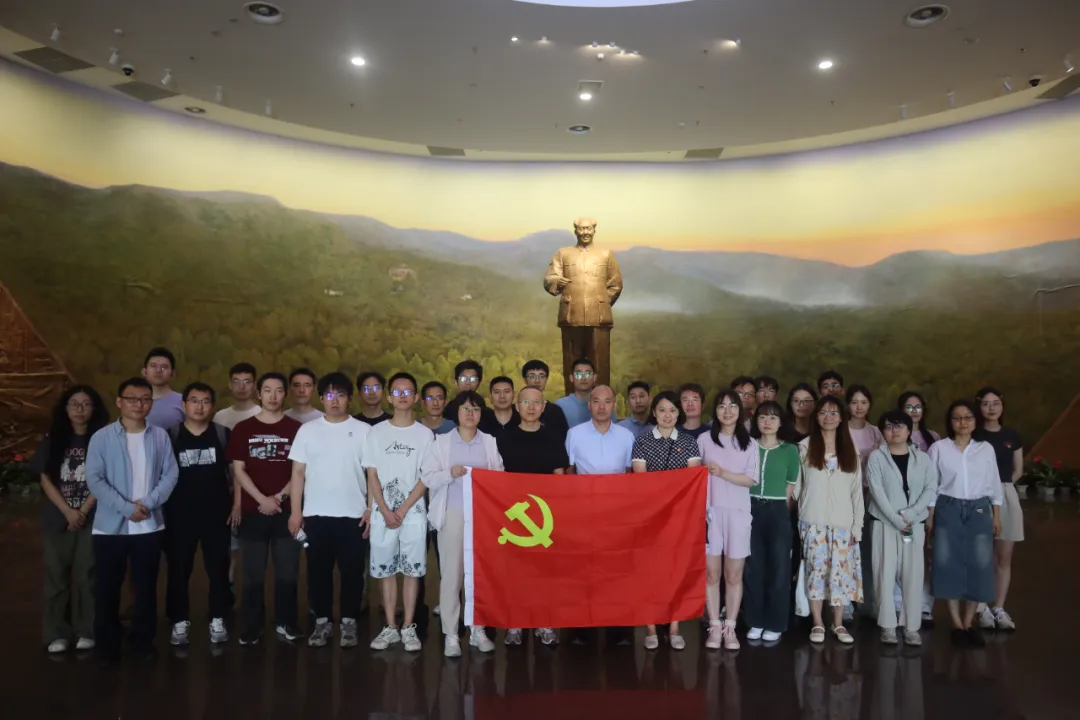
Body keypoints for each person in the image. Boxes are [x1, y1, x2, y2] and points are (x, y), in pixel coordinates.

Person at [86, 377, 179, 662]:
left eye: (145, 399)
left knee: (146, 588)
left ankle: (142, 641)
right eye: (132, 399)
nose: (139, 404)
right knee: (107, 588)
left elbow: (170, 474)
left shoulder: (160, 436)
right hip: (109, 528)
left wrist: (147, 503)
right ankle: (108, 644)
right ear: (119, 402)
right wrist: (126, 509)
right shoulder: (101, 437)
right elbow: (95, 479)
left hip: (149, 525)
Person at [286, 372, 372, 649]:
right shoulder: (308, 430)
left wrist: (370, 508)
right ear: (321, 398)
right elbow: (297, 473)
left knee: (352, 572)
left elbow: (372, 474)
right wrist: (295, 512)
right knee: (317, 572)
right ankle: (322, 622)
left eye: (341, 395)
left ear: (350, 399)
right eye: (330, 395)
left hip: (354, 516)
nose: (335, 401)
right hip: (316, 516)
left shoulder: (364, 431)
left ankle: (349, 622)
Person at [421, 391, 505, 657]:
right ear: (456, 413)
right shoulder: (442, 442)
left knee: (479, 574)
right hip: (453, 514)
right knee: (452, 575)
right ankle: (451, 634)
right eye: (465, 409)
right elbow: (428, 478)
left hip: (482, 517)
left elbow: (500, 476)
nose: (470, 413)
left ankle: (478, 630)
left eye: (476, 409)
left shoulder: (489, 442)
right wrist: (450, 473)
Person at [227, 372, 303, 645]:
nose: (273, 396)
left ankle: (286, 622)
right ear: (259, 394)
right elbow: (239, 470)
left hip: (286, 511)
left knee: (288, 572)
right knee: (252, 573)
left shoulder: (297, 429)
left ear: (285, 394)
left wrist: (279, 498)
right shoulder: (243, 429)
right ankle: (252, 626)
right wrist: (261, 499)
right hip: (253, 511)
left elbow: (300, 471)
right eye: (267, 390)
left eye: (278, 390)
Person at [33, 385, 109, 654]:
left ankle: (87, 630)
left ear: (94, 409)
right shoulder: (53, 439)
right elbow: (45, 478)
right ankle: (57, 633)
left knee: (89, 577)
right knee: (57, 578)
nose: (80, 409)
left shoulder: (102, 440)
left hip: (93, 518)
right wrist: (67, 511)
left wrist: (83, 511)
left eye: (86, 404)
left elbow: (104, 479)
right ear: (65, 409)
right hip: (57, 519)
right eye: (74, 404)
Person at [364, 372, 435, 652]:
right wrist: (383, 509)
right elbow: (372, 474)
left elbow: (425, 476)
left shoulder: (425, 434)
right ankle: (390, 627)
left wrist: (403, 509)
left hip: (413, 512)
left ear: (416, 398)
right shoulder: (376, 432)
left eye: (408, 392)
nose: (402, 396)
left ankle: (408, 626)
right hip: (383, 513)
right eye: (397, 392)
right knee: (387, 570)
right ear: (389, 397)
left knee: (412, 570)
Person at [496, 386, 569, 647]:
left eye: (536, 403)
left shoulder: (553, 439)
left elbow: (559, 477)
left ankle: (543, 622)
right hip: (512, 516)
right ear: (517, 407)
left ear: (543, 406)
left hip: (545, 516)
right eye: (525, 403)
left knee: (544, 572)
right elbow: (496, 478)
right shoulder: (503, 440)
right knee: (515, 572)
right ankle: (515, 623)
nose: (530, 407)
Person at [927, 399, 1002, 647]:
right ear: (950, 422)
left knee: (980, 564)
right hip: (948, 507)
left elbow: (993, 483)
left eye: (968, 417)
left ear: (975, 421)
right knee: (947, 562)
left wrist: (996, 515)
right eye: (957, 418)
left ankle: (969, 622)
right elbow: (932, 485)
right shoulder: (939, 448)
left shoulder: (985, 449)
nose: (963, 422)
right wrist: (930, 516)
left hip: (979, 509)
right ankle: (956, 624)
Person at [631, 390, 701, 650]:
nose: (667, 415)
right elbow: (641, 482)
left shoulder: (689, 442)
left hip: (679, 519)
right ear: (654, 413)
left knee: (676, 571)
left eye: (672, 410)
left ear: (678, 413)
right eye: (662, 410)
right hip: (649, 518)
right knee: (649, 572)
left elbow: (691, 482)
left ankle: (674, 627)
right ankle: (650, 628)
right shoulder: (642, 441)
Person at [565, 385, 635, 644]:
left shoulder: (626, 436)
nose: (602, 406)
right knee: (584, 568)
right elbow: (569, 471)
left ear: (614, 405)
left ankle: (618, 628)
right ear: (589, 405)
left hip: (617, 512)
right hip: (584, 511)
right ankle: (583, 628)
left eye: (607, 401)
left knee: (617, 568)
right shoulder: (574, 434)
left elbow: (630, 473)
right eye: (596, 401)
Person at [165, 382, 233, 646]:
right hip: (179, 517)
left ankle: (218, 618)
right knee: (178, 570)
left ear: (212, 406)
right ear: (184, 405)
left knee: (218, 569)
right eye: (194, 401)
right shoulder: (170, 435)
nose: (199, 406)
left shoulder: (222, 434)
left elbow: (234, 475)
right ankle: (179, 621)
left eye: (205, 401)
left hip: (216, 515)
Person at [795, 395, 863, 646]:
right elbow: (797, 488)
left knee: (840, 575)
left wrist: (857, 526)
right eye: (823, 412)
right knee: (815, 573)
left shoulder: (851, 450)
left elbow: (857, 492)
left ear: (842, 418)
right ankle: (817, 622)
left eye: (834, 413)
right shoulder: (804, 448)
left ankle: (838, 623)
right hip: (812, 522)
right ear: (816, 416)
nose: (828, 417)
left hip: (843, 524)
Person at [867, 410, 937, 646]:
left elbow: (930, 488)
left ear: (909, 430)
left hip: (912, 525)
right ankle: (887, 625)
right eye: (888, 427)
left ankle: (911, 627)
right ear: (882, 432)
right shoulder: (876, 457)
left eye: (899, 426)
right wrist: (896, 519)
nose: (894, 431)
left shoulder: (923, 459)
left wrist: (910, 515)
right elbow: (876, 491)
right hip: (885, 524)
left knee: (913, 575)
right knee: (884, 573)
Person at [698, 390, 759, 651]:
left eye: (732, 406)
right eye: (722, 406)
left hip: (738, 514)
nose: (727, 411)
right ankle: (714, 625)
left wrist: (722, 473)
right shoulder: (704, 440)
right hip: (710, 514)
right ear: (715, 410)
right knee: (711, 574)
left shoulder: (750, 444)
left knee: (733, 575)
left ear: (740, 410)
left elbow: (751, 479)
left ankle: (730, 627)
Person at [744, 400, 799, 644]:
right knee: (752, 567)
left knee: (779, 568)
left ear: (780, 422)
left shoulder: (790, 450)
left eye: (773, 417)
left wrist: (779, 510)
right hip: (749, 508)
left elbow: (790, 485)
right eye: (763, 417)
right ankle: (755, 620)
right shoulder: (748, 446)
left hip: (777, 510)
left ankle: (776, 622)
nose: (767, 422)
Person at [973, 386, 1022, 633]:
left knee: (1004, 557)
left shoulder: (1012, 435)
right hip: (979, 495)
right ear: (979, 407)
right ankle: (981, 607)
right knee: (981, 556)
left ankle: (999, 607)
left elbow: (1018, 469)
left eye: (996, 403)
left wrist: (1001, 490)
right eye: (986, 403)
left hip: (1005, 493)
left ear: (1002, 406)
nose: (991, 408)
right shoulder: (975, 434)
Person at [520, 359, 569, 440]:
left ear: (546, 379)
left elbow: (563, 440)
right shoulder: (516, 410)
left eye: (542, 376)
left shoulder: (555, 411)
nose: (537, 381)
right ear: (525, 379)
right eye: (532, 376)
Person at [143, 346, 185, 430]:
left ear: (173, 373)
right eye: (153, 366)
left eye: (164, 367)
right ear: (145, 372)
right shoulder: (134, 401)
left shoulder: (183, 401)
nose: (158, 370)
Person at [213, 362, 261, 430]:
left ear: (255, 385)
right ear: (230, 385)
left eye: (247, 382)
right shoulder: (220, 417)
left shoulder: (263, 414)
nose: (241, 387)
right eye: (236, 382)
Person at [555, 357, 598, 428]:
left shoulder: (604, 405)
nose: (583, 378)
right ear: (571, 378)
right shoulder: (560, 405)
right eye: (578, 374)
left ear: (594, 377)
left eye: (588, 374)